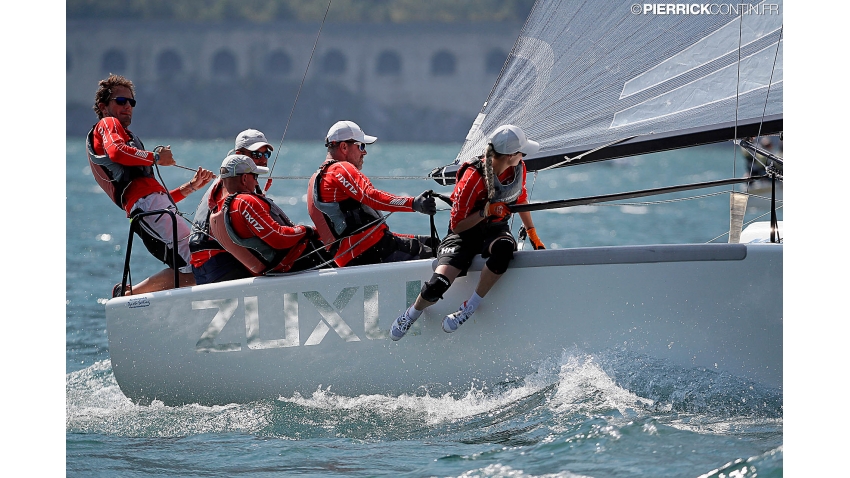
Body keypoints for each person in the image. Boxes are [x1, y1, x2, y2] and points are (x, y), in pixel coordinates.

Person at [390, 124, 546, 340]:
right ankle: (411, 313)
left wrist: (533, 234)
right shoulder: (473, 177)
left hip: (495, 230)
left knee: (503, 249)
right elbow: (457, 225)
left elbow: (520, 197)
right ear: (510, 155)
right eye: (521, 152)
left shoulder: (519, 168)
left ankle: (470, 307)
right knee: (438, 285)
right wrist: (487, 211)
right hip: (464, 232)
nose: (524, 156)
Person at [86, 74, 215, 296]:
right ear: (103, 106)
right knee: (199, 266)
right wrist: (156, 157)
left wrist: (191, 186)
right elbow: (116, 151)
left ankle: (131, 294)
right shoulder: (108, 123)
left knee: (201, 262)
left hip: (153, 208)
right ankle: (128, 295)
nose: (128, 106)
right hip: (147, 210)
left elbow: (155, 197)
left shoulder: (127, 137)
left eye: (131, 102)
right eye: (120, 101)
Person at [307, 120, 437, 267]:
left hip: (351, 257)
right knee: (442, 252)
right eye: (361, 146)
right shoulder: (340, 168)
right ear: (344, 147)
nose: (364, 152)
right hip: (370, 250)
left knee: (432, 242)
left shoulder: (314, 180)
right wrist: (413, 203)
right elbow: (370, 196)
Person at [209, 154, 330, 275]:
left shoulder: (220, 210)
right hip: (300, 260)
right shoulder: (245, 202)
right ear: (244, 178)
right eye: (255, 176)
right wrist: (308, 230)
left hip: (276, 270)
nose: (256, 182)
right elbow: (279, 238)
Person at [189, 129, 276, 285]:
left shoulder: (235, 179)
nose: (263, 160)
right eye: (256, 155)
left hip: (208, 262)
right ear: (238, 154)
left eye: (266, 155)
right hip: (217, 263)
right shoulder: (232, 184)